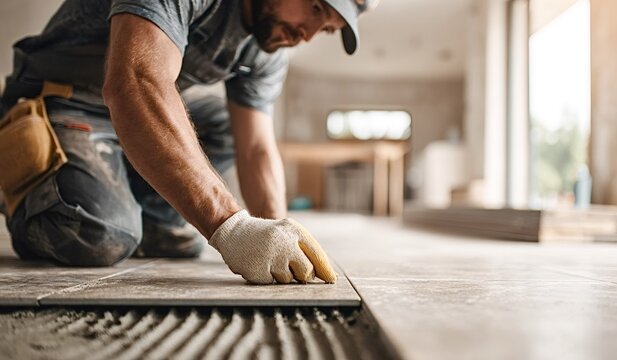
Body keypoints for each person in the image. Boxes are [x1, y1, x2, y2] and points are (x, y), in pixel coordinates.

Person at [0, 0, 377, 284]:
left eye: (324, 29)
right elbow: (135, 80)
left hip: (130, 120)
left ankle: (122, 197)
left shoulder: (270, 42)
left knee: (179, 236)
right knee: (100, 236)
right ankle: (28, 191)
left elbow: (255, 147)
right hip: (63, 101)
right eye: (314, 7)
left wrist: (280, 233)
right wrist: (231, 227)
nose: (306, 34)